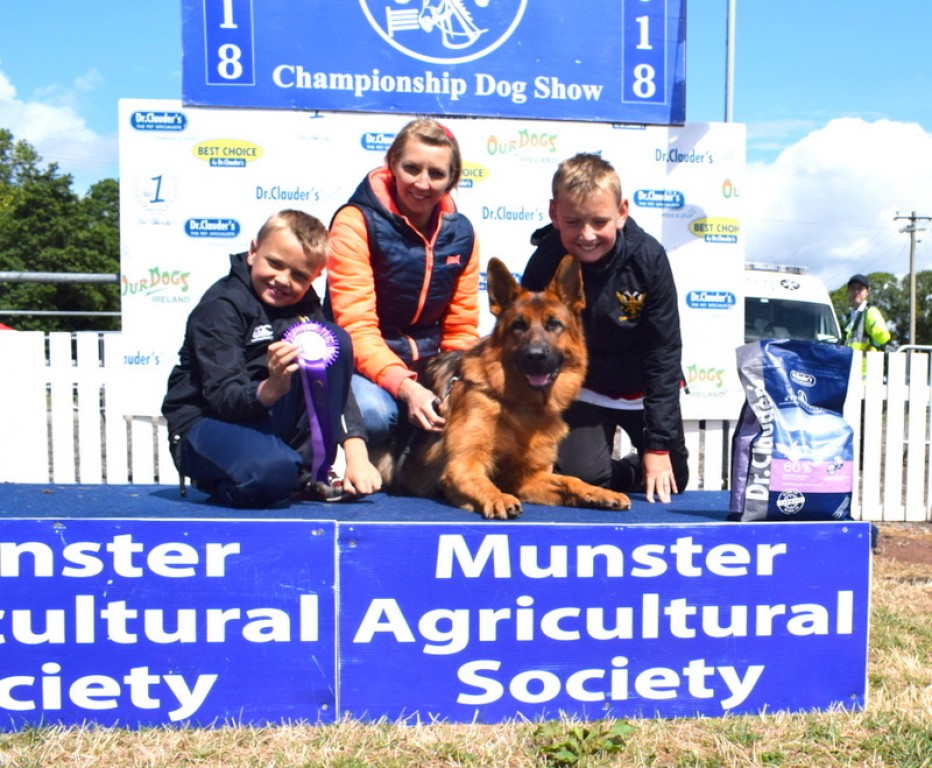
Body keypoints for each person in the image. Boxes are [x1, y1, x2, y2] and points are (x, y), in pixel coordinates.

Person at [162, 210, 382, 508]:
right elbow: (223, 397)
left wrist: (358, 456)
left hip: (262, 421)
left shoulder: (306, 306)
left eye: (299, 275)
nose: (282, 280)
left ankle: (309, 475)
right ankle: (238, 478)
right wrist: (272, 387)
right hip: (205, 424)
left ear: (315, 277)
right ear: (253, 251)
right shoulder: (220, 306)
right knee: (272, 474)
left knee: (337, 340)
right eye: (275, 264)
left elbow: (335, 387)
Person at [521, 152, 689, 503]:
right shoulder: (545, 262)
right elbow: (533, 348)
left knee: (674, 477)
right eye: (573, 222)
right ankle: (623, 473)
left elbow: (663, 352)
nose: (587, 235)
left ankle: (640, 465)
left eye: (599, 222)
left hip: (641, 387)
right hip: (586, 389)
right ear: (554, 214)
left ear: (622, 212)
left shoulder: (649, 258)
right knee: (583, 476)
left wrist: (658, 448)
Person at [326, 118, 480, 444]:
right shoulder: (354, 222)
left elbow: (461, 331)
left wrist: (459, 386)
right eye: (412, 168)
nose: (422, 183)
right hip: (360, 364)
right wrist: (406, 387)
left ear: (452, 178)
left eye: (436, 174)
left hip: (428, 363)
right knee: (377, 415)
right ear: (392, 163)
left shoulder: (463, 234)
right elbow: (357, 328)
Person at [842, 273, 892, 353]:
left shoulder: (871, 312)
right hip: (851, 360)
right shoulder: (849, 317)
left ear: (867, 292)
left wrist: (873, 345)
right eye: (852, 288)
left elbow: (884, 336)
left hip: (865, 361)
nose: (856, 292)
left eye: (860, 288)